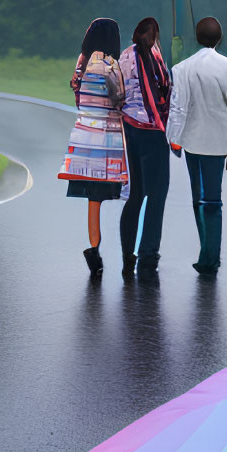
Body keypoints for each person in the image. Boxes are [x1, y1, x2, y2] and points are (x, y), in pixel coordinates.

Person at [166, 16, 227, 275]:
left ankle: (207, 253)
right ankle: (210, 255)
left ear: (198, 38)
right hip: (218, 144)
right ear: (219, 38)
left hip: (193, 143)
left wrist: (174, 139)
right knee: (213, 200)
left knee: (198, 199)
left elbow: (177, 108)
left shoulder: (182, 68)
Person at [57, 17, 127, 276]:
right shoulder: (110, 65)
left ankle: (94, 248)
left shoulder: (82, 63)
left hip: (84, 134)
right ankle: (129, 251)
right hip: (107, 137)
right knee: (126, 192)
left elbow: (77, 93)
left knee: (93, 199)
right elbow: (119, 99)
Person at [118, 16, 174, 277]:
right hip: (155, 132)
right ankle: (149, 255)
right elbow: (165, 91)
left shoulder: (124, 56)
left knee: (135, 196)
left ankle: (127, 255)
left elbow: (118, 93)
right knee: (157, 196)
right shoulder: (156, 56)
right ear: (155, 36)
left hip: (130, 130)